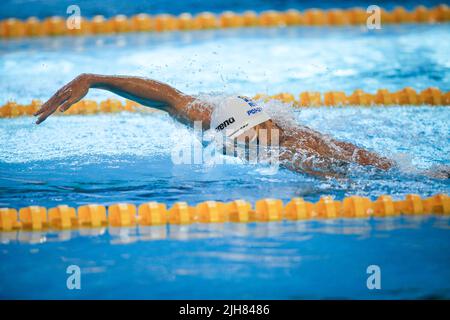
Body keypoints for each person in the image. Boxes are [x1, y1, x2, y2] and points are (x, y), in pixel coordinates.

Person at [34, 73, 394, 178]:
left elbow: (345, 176)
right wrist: (93, 79)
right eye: (251, 135)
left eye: (261, 129)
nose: (261, 136)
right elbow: (166, 96)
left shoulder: (291, 146)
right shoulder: (208, 117)